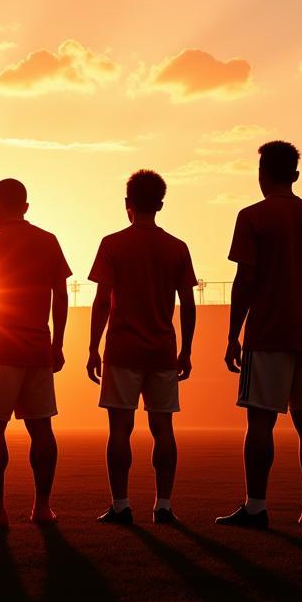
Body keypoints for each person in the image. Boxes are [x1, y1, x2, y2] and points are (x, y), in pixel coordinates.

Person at [216, 140, 302, 530]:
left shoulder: (252, 216)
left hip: (267, 334)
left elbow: (245, 279)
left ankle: (256, 506)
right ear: (296, 175)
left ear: (261, 175)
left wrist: (233, 333)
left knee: (260, 423)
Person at [0, 179, 71, 528]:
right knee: (41, 428)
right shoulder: (47, 240)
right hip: (37, 346)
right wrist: (58, 343)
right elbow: (61, 296)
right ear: (25, 206)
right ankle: (43, 507)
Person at [87, 170, 197, 525]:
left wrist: (92, 346)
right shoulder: (177, 248)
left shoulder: (113, 244)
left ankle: (121, 505)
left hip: (123, 349)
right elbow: (188, 304)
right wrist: (187, 350)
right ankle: (163, 505)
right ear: (161, 204)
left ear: (127, 205)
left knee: (120, 429)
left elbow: (102, 301)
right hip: (162, 349)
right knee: (163, 429)